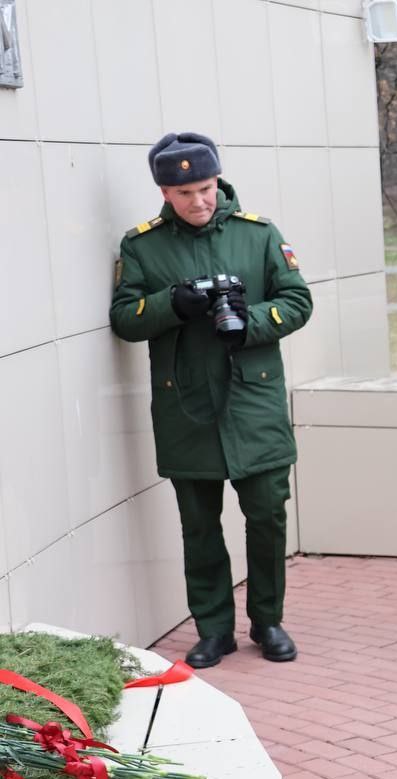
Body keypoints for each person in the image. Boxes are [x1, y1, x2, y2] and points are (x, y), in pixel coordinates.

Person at [108, 132, 312, 668]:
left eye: (205, 187)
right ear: (164, 192)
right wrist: (172, 302)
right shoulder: (142, 246)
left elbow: (298, 300)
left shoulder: (259, 234)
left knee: (267, 516)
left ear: (217, 180)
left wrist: (249, 323)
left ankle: (267, 621)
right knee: (199, 526)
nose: (199, 201)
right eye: (184, 193)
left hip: (254, 402)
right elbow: (125, 320)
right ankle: (213, 629)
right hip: (186, 408)